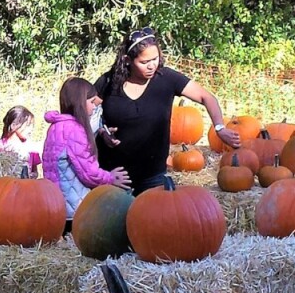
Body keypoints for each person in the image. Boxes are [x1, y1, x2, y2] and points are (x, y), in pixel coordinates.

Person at [94, 27, 239, 194]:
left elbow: (207, 97)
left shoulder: (167, 78)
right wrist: (101, 131)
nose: (151, 66)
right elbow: (86, 111)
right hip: (115, 175)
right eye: (144, 62)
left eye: (155, 59)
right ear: (127, 60)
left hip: (152, 174)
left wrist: (220, 128)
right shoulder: (109, 82)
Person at [43, 78, 130, 232]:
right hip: (74, 208)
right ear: (80, 103)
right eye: (91, 102)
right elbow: (88, 172)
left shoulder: (56, 127)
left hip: (55, 205)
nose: (94, 106)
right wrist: (110, 178)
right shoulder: (75, 130)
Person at [0, 106, 42, 176]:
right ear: (14, 125)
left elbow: (35, 171)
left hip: (26, 183)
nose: (31, 129)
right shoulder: (0, 147)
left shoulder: (31, 148)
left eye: (32, 126)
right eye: (28, 125)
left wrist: (33, 175)